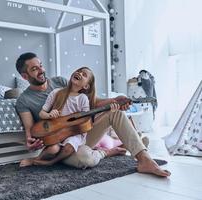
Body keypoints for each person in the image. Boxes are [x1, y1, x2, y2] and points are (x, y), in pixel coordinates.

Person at [15, 52, 170, 177]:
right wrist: (30, 143)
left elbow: (92, 102)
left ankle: (145, 160)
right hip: (60, 147)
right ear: (24, 76)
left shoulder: (60, 82)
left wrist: (114, 100)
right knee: (85, 159)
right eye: (34, 69)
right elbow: (30, 130)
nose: (41, 70)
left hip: (80, 134)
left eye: (40, 65)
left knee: (115, 113)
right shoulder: (24, 100)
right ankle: (106, 152)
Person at [20, 67, 126, 167]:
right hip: (57, 132)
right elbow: (41, 113)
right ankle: (36, 159)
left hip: (74, 135)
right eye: (79, 71)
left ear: (86, 86)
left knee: (70, 147)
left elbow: (88, 123)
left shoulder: (82, 98)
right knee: (53, 149)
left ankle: (51, 162)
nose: (79, 73)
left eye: (84, 74)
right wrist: (49, 115)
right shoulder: (56, 92)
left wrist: (107, 112)